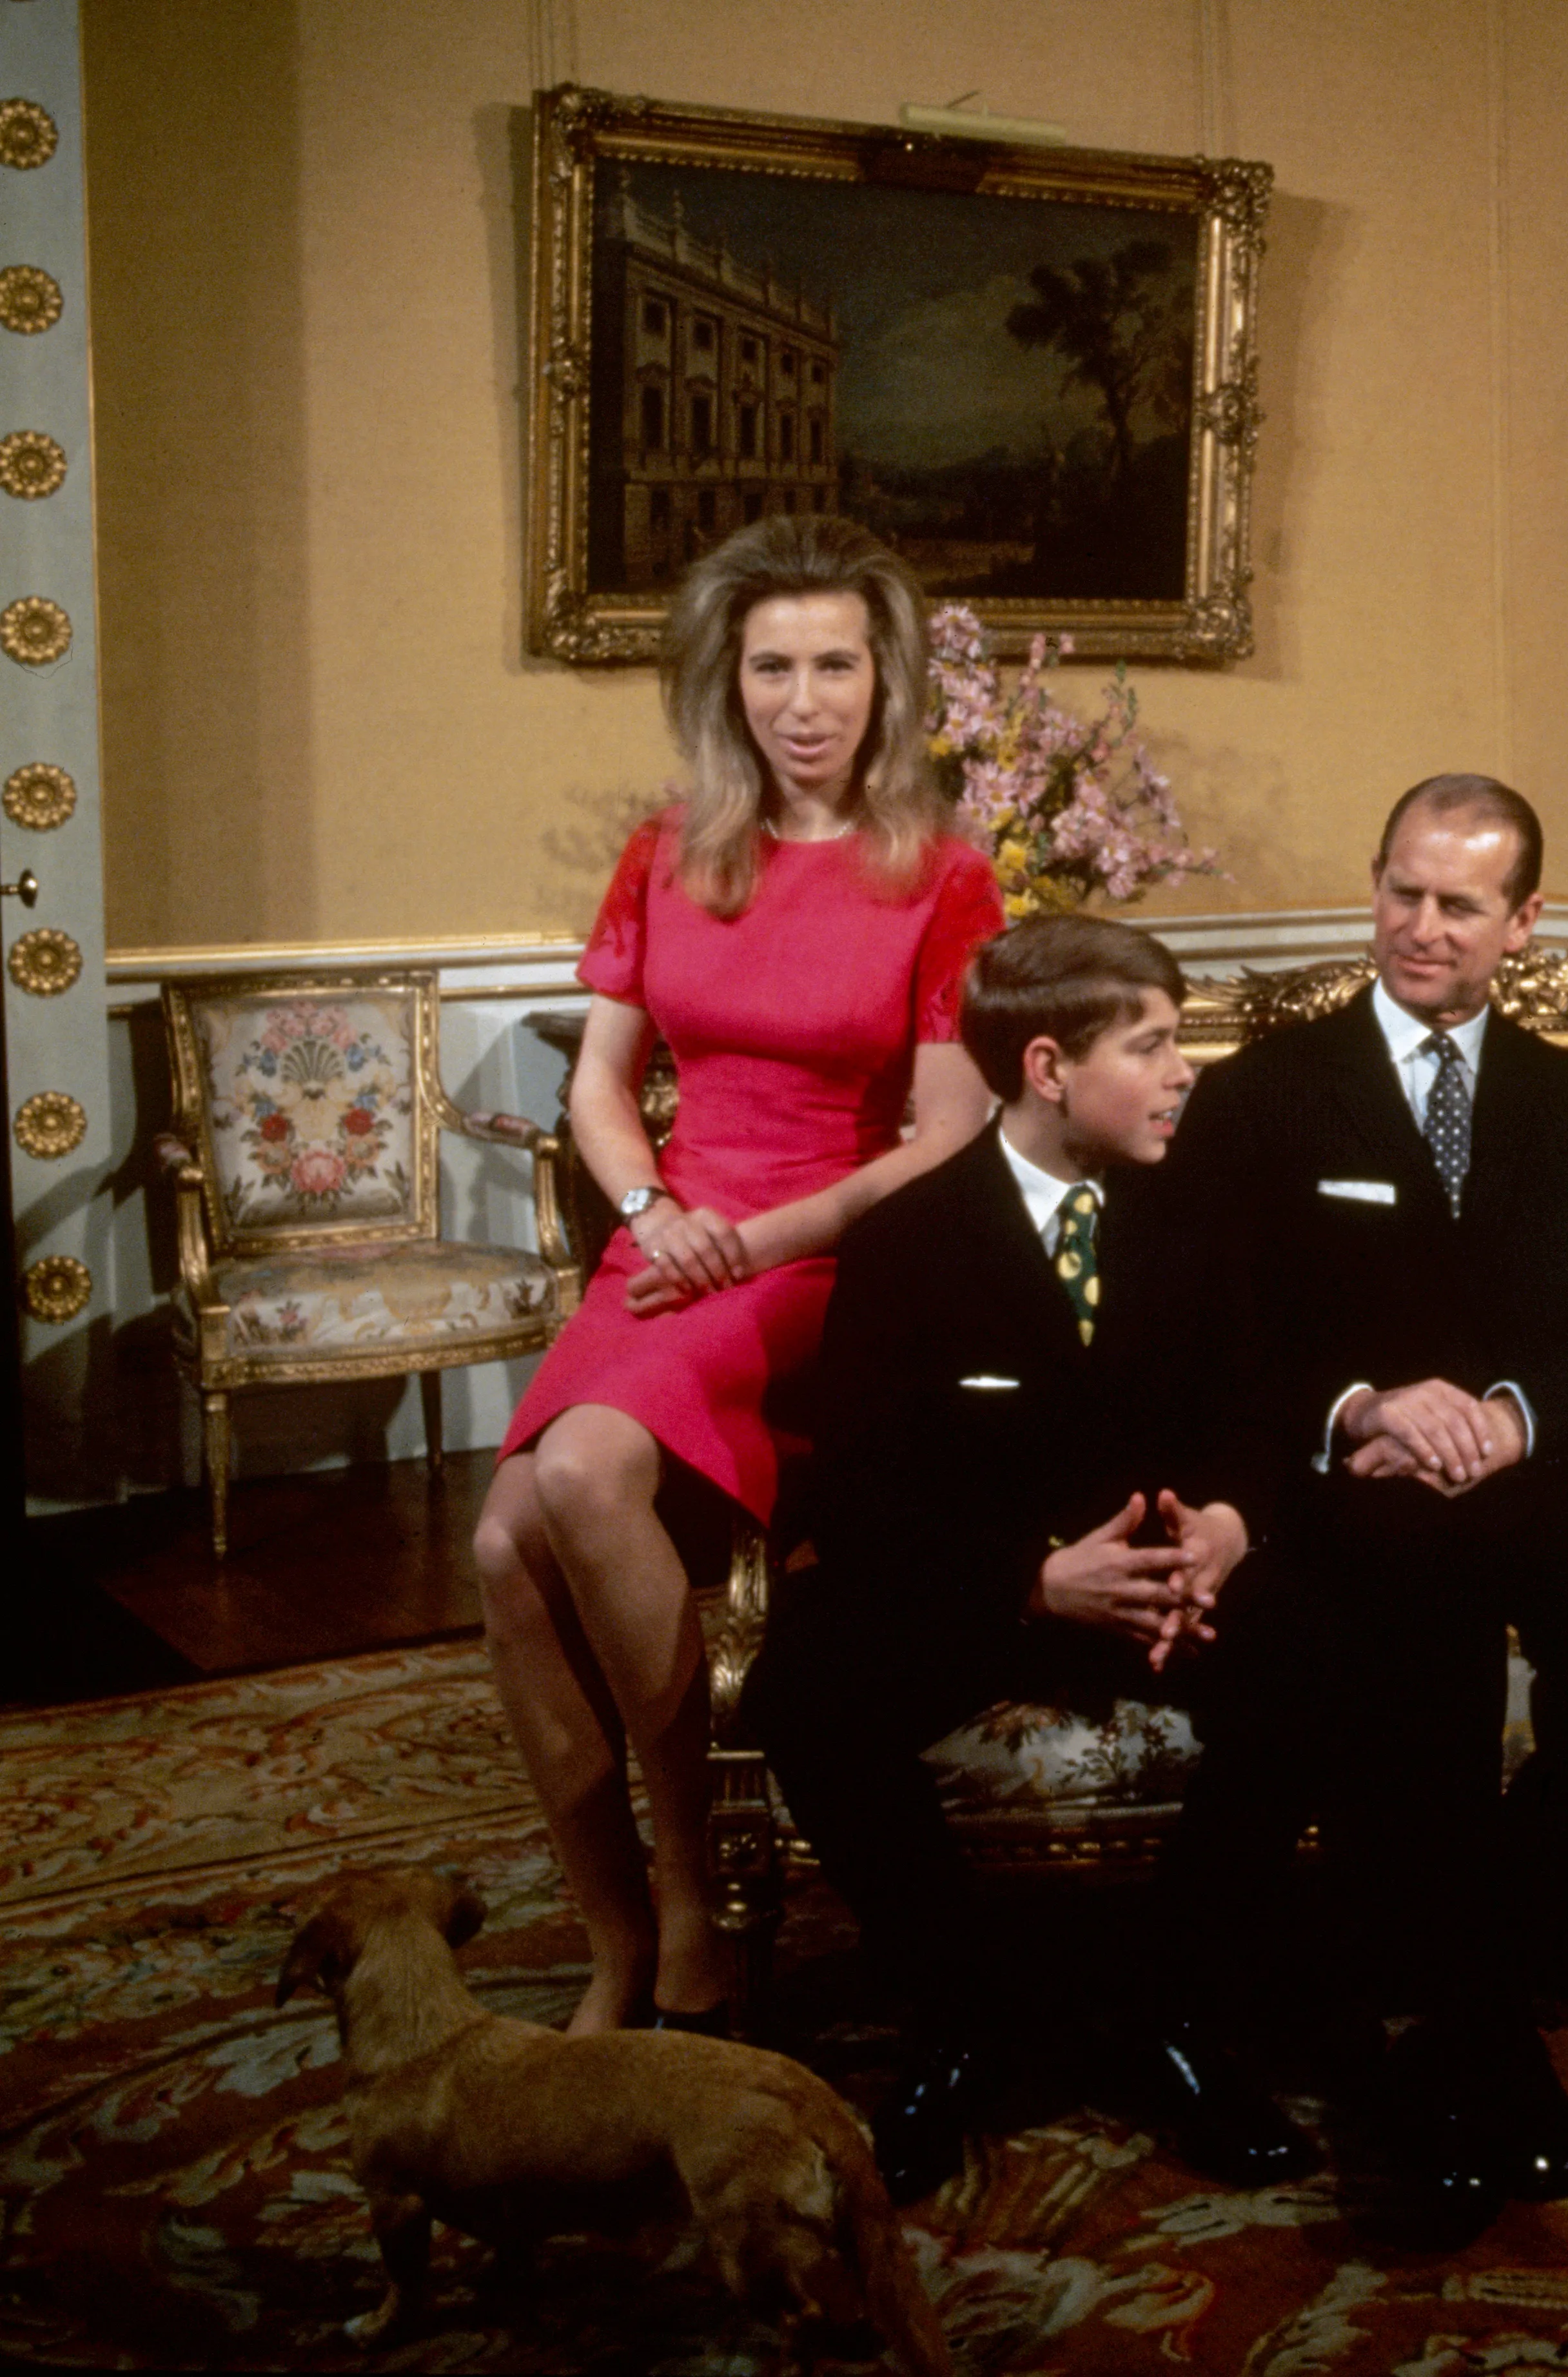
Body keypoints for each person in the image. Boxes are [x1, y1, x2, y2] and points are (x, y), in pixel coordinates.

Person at [1119, 773, 1568, 2237]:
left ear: (1522, 923)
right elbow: (1214, 1339)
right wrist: (1362, 1409)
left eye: (1460, 904)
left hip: (1524, 1468)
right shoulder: (1268, 1094)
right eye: (1401, 889)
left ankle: (1511, 1933)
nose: (1420, 925)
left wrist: (1513, 1420)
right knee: (1419, 1613)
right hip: (1352, 1481)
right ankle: (1471, 2031)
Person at [476, 515, 1003, 2037]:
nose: (804, 700)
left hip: (821, 1254)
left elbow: (943, 1142)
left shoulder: (943, 876)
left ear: (884, 681)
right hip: (668, 1243)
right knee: (504, 1550)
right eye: (772, 665)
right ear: (730, 682)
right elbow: (598, 1085)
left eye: (835, 663)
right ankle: (613, 1934)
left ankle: (700, 1897)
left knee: (576, 1474)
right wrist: (649, 1210)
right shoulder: (668, 850)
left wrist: (751, 1241)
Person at [741, 915, 1309, 2202]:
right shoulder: (910, 1240)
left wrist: (1224, 1525)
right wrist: (1034, 1577)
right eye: (1153, 1045)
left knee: (1326, 1653)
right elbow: (867, 1486)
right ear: (1048, 1067)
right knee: (806, 1691)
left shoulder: (1205, 1211)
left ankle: (1177, 2011)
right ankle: (961, 2015)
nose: (1183, 1072)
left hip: (1171, 1579)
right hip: (994, 1585)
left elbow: (1256, 1410)